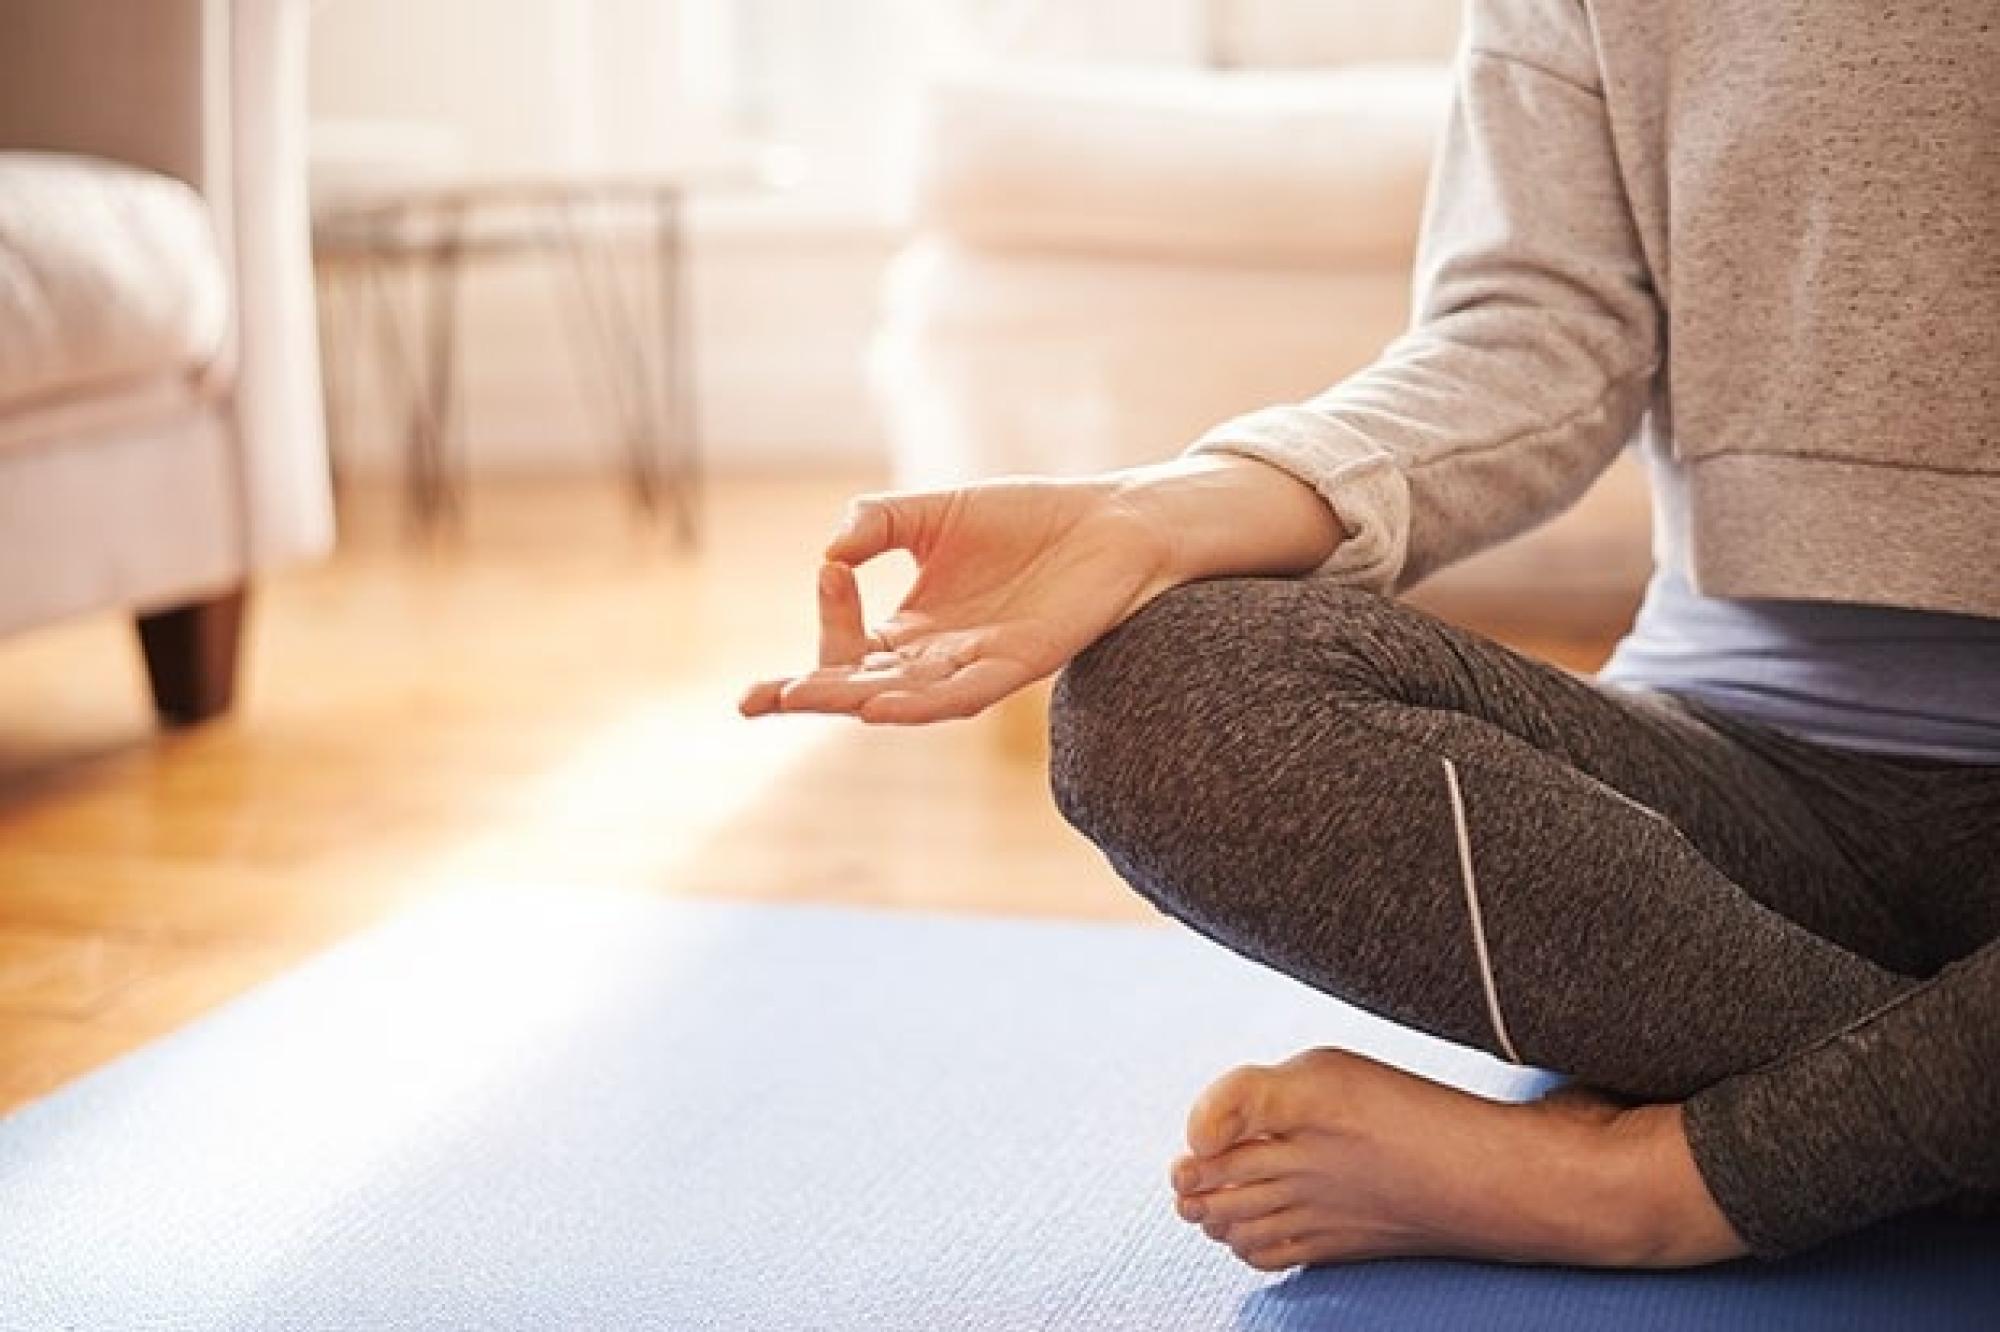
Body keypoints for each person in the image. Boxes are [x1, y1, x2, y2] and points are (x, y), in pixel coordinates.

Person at [740, 0, 1998, 1271]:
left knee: (1692, 1162)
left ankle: (1641, 1186)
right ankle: (1904, 1107)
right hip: (1736, 809)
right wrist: (1156, 515)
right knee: (1167, 697)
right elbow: (1533, 332)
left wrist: (1665, 1182)